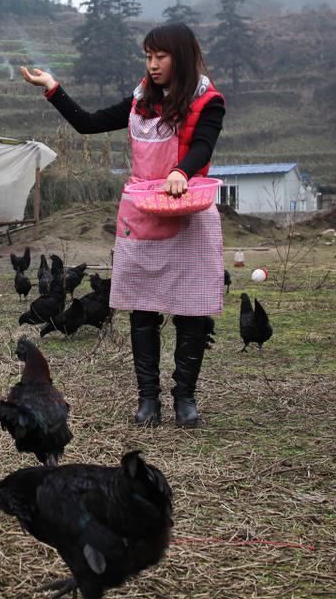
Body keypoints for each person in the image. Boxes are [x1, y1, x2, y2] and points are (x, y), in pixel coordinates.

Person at [21, 22, 225, 428]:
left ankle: (185, 398)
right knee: (143, 311)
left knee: (192, 313)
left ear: (180, 56)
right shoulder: (140, 101)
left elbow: (203, 144)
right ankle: (148, 399)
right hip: (144, 215)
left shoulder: (208, 102)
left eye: (160, 57)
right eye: (148, 56)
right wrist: (53, 88)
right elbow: (88, 123)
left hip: (189, 215)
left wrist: (182, 172)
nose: (151, 65)